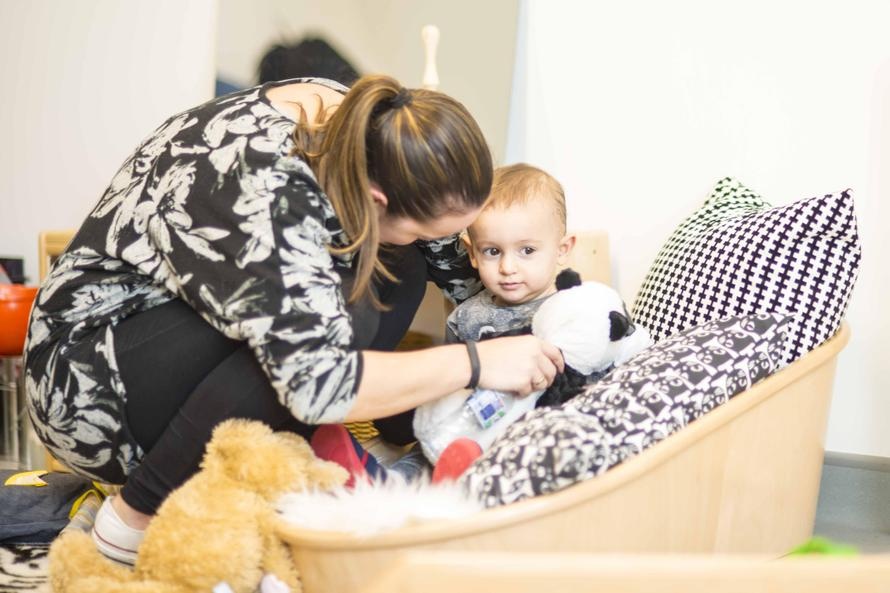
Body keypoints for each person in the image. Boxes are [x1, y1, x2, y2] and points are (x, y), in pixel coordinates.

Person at [23, 75, 564, 564]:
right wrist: (475, 362)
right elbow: (317, 380)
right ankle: (135, 515)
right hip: (87, 378)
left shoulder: (365, 131)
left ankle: (362, 429)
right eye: (426, 229)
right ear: (377, 199)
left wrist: (543, 323)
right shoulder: (269, 188)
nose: (439, 242)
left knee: (397, 266)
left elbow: (453, 261)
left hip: (177, 327)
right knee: (347, 309)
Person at [312, 163, 578, 484]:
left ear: (563, 250)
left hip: (532, 431)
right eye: (493, 251)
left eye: (527, 251)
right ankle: (373, 478)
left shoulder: (571, 309)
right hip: (465, 427)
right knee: (424, 453)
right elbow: (451, 380)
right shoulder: (467, 316)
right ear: (472, 253)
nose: (508, 267)